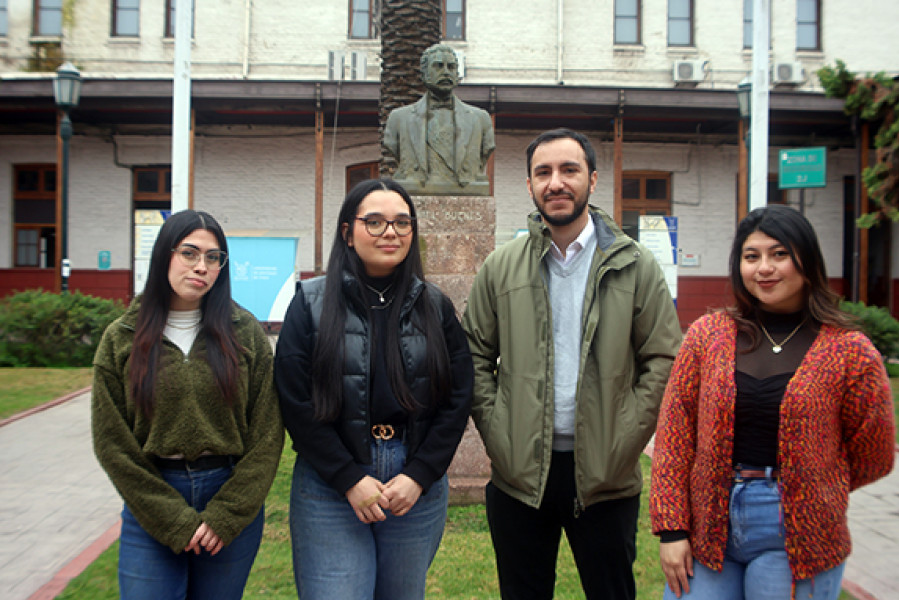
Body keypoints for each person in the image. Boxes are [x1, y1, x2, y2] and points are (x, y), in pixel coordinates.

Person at [462, 128, 682, 599]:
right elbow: (474, 354)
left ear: (593, 179)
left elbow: (663, 357)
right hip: (519, 477)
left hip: (605, 477)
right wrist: (499, 432)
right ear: (529, 185)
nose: (556, 183)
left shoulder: (636, 266)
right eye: (543, 172)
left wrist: (624, 438)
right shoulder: (501, 267)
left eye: (569, 170)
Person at [649, 205, 896, 600]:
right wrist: (672, 528)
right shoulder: (707, 336)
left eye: (779, 254)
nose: (764, 268)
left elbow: (875, 453)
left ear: (807, 260)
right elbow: (675, 438)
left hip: (798, 531)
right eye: (752, 257)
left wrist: (817, 484)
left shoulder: (850, 351)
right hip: (708, 520)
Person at [274, 178, 473, 599]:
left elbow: (457, 398)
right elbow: (295, 399)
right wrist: (348, 477)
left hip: (412, 482)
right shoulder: (310, 302)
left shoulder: (435, 305)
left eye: (402, 223)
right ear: (348, 232)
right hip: (332, 480)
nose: (391, 232)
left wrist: (419, 475)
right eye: (376, 221)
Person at [91, 209, 284, 600]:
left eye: (213, 258)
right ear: (165, 255)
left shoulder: (243, 331)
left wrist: (227, 514)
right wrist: (173, 519)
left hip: (228, 496)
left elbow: (267, 433)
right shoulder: (121, 337)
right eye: (190, 253)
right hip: (153, 500)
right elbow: (112, 443)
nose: (202, 266)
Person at [383, 43, 495, 196]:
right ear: (424, 73)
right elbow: (392, 147)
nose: (446, 72)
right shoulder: (399, 119)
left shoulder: (480, 119)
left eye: (451, 67)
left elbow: (486, 150)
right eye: (438, 66)